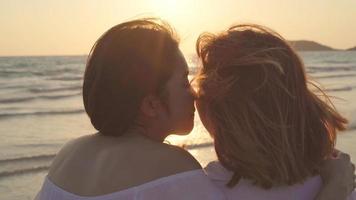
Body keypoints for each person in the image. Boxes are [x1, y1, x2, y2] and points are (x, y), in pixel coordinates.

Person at [36, 18, 354, 200]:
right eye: (185, 82)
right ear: (150, 104)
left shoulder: (67, 156)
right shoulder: (175, 171)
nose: (196, 93)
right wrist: (335, 190)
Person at [194, 23, 356, 199]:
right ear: (301, 103)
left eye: (199, 91)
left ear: (208, 109)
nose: (194, 96)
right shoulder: (341, 186)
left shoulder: (182, 189)